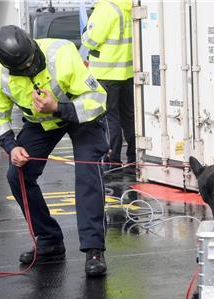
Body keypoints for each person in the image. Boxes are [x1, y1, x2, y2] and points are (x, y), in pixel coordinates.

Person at [0, 25, 109, 277]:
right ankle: (49, 240)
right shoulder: (1, 74)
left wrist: (58, 108)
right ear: (8, 65)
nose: (30, 67)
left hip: (79, 116)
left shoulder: (61, 53)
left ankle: (94, 249)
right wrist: (12, 146)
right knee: (18, 174)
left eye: (32, 60)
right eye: (24, 67)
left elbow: (96, 101)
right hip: (42, 123)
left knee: (86, 172)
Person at [81, 0, 135, 172]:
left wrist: (85, 31)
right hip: (127, 72)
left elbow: (90, 40)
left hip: (106, 73)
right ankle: (133, 157)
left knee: (110, 118)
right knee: (129, 117)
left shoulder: (105, 9)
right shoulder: (128, 7)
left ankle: (113, 158)